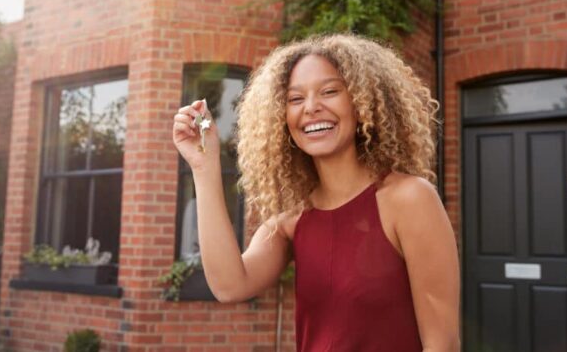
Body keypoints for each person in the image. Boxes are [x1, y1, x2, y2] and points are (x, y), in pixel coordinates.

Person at [172, 34, 460, 351]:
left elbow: (442, 343)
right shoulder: (292, 222)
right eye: (295, 99)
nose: (311, 108)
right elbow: (229, 286)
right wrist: (203, 167)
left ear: (362, 103)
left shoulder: (409, 199)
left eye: (330, 91)